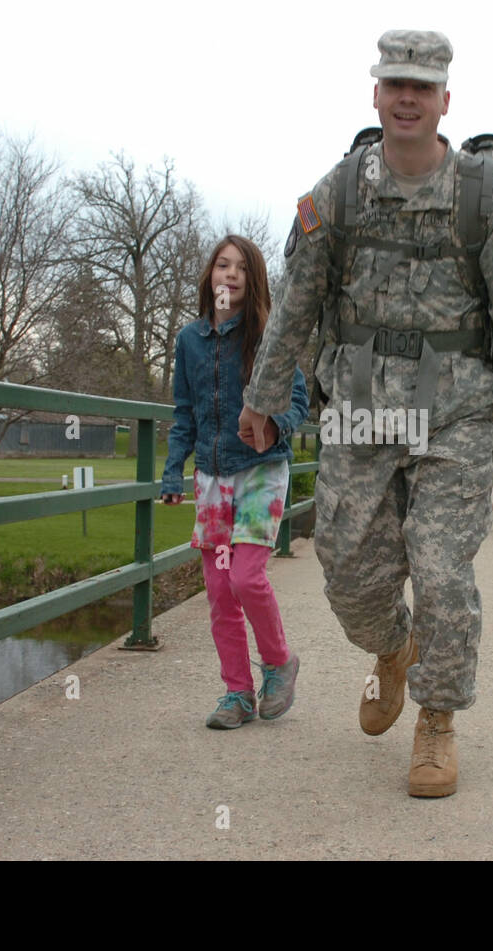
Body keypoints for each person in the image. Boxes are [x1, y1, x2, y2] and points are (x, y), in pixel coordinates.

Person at [238, 31, 493, 796]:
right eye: (395, 85)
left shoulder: (482, 198)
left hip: (458, 417)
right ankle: (392, 646)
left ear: (445, 100)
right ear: (376, 96)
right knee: (349, 574)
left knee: (443, 569)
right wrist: (261, 398)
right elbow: (294, 303)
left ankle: (437, 723)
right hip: (359, 410)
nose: (408, 97)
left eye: (422, 86)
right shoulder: (339, 194)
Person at [161, 235, 310, 729]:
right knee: (221, 592)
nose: (229, 274)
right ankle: (237, 694)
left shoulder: (269, 336)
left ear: (253, 280)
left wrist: (275, 425)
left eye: (240, 268)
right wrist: (172, 470)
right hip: (210, 477)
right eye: (221, 265)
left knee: (246, 577)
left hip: (261, 471)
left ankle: (278, 662)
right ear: (209, 276)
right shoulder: (189, 341)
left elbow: (299, 404)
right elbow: (184, 413)